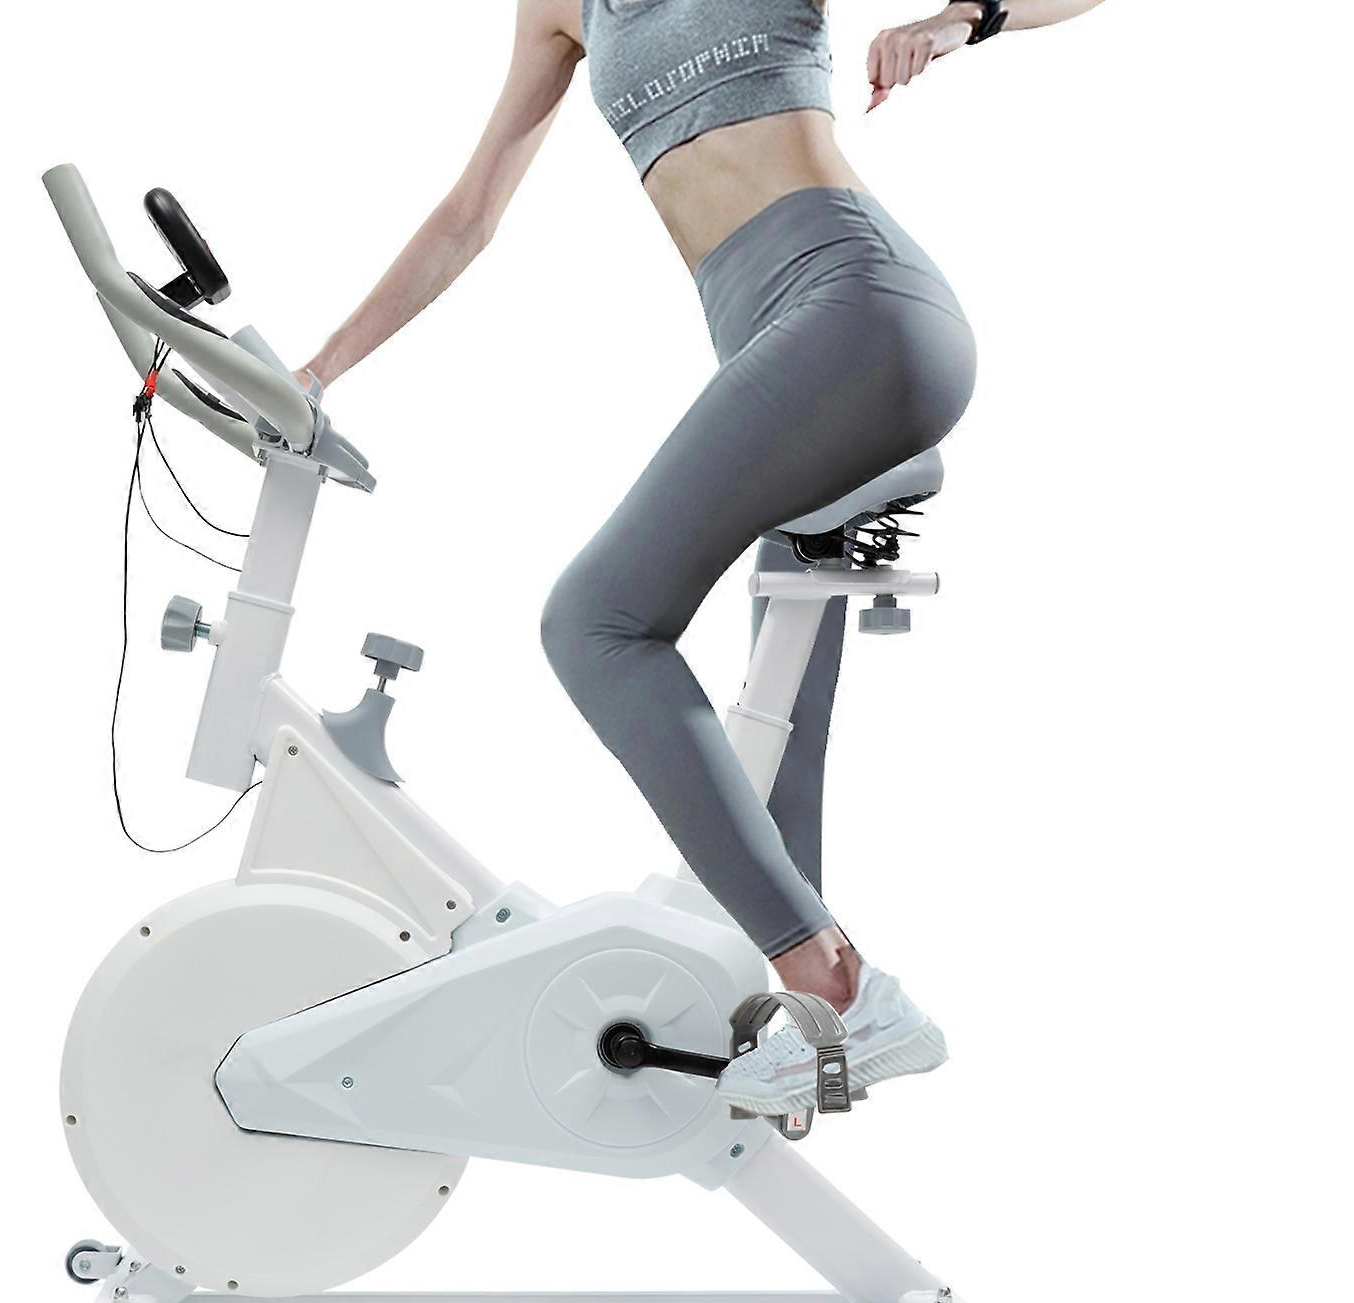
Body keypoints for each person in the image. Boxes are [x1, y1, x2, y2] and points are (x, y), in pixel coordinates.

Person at [293, 1, 1107, 1111]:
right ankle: (820, 1020)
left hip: (854, 304)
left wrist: (969, 18)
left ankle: (836, 984)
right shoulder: (560, 10)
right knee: (778, 686)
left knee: (594, 622)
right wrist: (317, 371)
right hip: (791, 345)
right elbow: (466, 218)